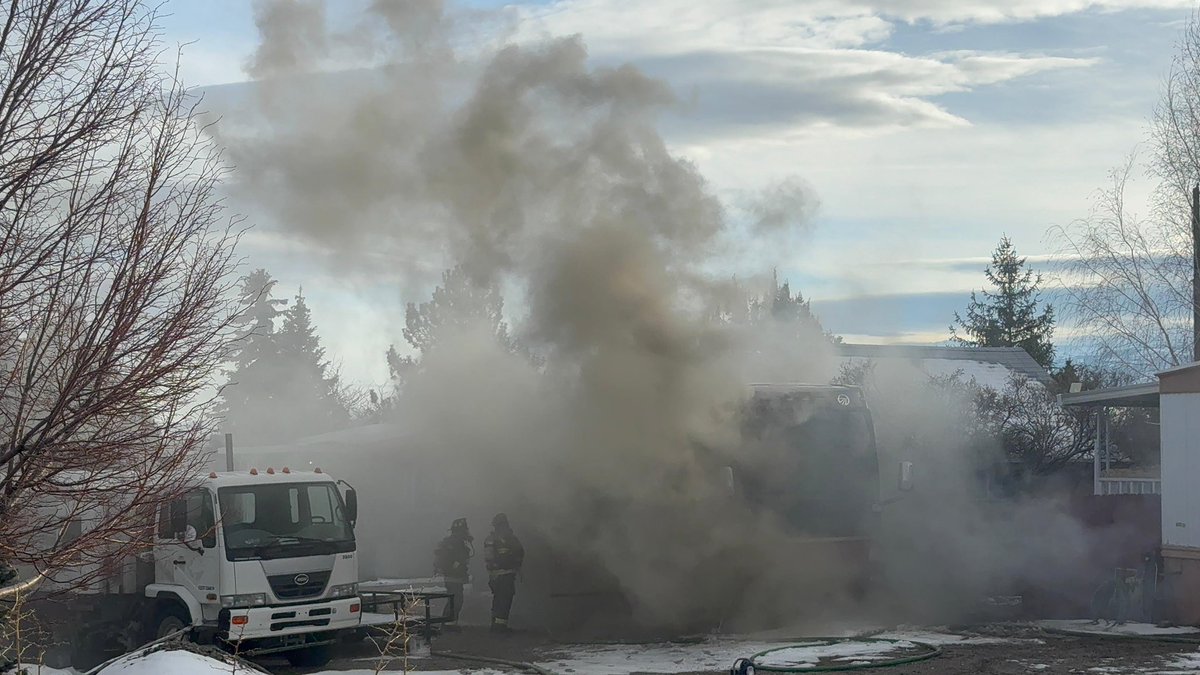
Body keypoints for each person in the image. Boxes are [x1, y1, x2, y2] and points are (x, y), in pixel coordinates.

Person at [484, 513, 524, 633]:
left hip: (495, 576)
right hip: (506, 574)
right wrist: (514, 561)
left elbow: (489, 559)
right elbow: (520, 552)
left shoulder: (491, 539)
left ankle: (496, 626)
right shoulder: (510, 538)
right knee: (504, 601)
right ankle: (500, 629)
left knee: (498, 600)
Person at [433, 518, 473, 627]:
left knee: (455, 599)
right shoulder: (457, 543)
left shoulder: (452, 542)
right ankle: (448, 624)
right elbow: (461, 558)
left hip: (452, 576)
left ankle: (450, 623)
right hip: (454, 576)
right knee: (456, 600)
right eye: (464, 530)